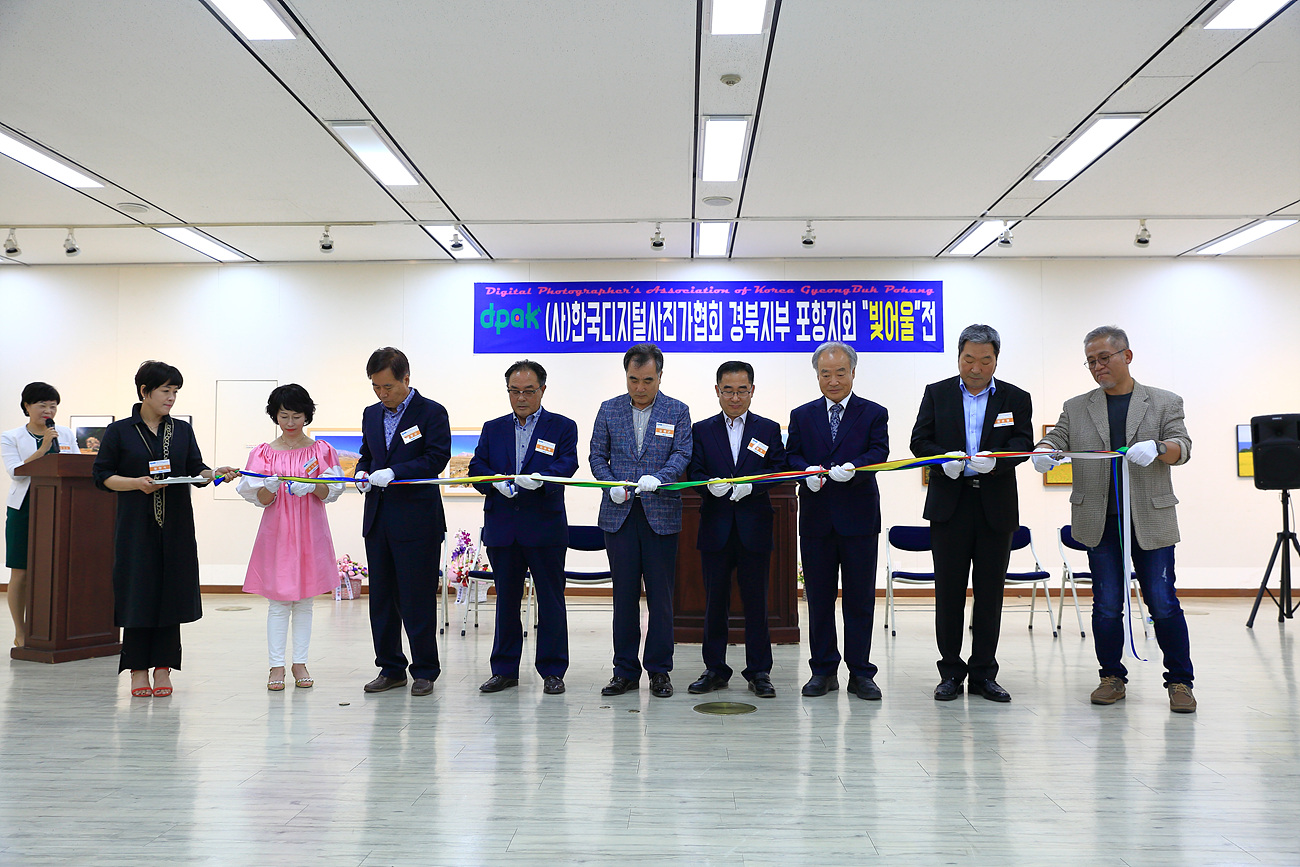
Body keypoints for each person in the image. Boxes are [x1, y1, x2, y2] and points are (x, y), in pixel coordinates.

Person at [1034, 326, 1196, 713]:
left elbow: (1183, 447)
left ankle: (1180, 682)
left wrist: (1158, 448)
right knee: (1106, 604)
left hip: (1151, 520)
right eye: (1091, 361)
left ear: (1127, 356)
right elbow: (1057, 438)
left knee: (1163, 601)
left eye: (1104, 358)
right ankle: (1111, 677)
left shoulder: (1164, 402)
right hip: (1100, 521)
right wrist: (1043, 450)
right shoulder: (1077, 406)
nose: (1097, 366)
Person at [92, 361, 237, 697]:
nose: (171, 398)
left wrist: (213, 473)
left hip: (176, 526)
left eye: (175, 392)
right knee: (138, 594)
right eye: (165, 391)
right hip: (135, 527)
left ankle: (163, 667)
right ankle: (137, 669)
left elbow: (196, 469)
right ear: (145, 391)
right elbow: (102, 477)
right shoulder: (119, 431)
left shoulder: (182, 431)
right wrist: (136, 483)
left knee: (171, 594)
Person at [909, 324, 1033, 703]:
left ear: (996, 359)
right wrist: (940, 460)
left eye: (985, 361)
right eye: (968, 360)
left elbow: (1023, 443)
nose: (976, 368)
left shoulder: (1016, 397)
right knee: (949, 592)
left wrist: (996, 461)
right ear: (958, 357)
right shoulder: (937, 393)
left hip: (995, 505)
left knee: (990, 593)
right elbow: (919, 441)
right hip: (950, 505)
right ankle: (950, 672)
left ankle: (983, 673)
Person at [468, 360, 579, 695]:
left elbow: (568, 463)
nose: (521, 398)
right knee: (506, 601)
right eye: (514, 391)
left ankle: (553, 671)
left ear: (542, 390)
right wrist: (492, 483)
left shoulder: (562, 427)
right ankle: (504, 670)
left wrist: (541, 479)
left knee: (550, 600)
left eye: (528, 391)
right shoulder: (493, 428)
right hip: (503, 527)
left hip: (544, 527)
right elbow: (476, 466)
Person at [786, 342, 889, 700]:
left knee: (860, 599)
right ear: (817, 375)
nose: (833, 380)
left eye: (840, 373)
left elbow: (879, 452)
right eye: (825, 374)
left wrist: (854, 468)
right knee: (818, 598)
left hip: (859, 519)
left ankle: (860, 673)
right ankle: (823, 670)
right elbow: (791, 456)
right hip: (817, 519)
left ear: (853, 372)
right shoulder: (802, 415)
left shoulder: (873, 413)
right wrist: (805, 472)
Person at [589, 343, 692, 698]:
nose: (640, 387)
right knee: (624, 596)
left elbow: (682, 453)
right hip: (619, 515)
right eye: (633, 380)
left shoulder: (677, 410)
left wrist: (660, 478)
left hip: (660, 514)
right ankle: (625, 671)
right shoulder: (609, 409)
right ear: (626, 376)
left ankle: (660, 671)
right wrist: (610, 485)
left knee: (661, 598)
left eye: (648, 380)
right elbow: (596, 455)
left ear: (660, 376)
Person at [685, 361, 787, 699]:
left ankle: (759, 671)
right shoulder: (702, 429)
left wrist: (753, 487)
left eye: (742, 390)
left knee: (757, 603)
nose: (735, 397)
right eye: (728, 390)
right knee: (715, 603)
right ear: (717, 391)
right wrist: (707, 485)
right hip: (715, 527)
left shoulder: (767, 429)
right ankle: (715, 669)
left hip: (754, 526)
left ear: (752, 390)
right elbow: (694, 471)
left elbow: (779, 468)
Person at [236, 384, 346, 691]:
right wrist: (268, 488)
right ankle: (276, 665)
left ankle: (300, 662)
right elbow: (259, 498)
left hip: (310, 529)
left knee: (305, 601)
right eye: (284, 415)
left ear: (307, 415)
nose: (290, 422)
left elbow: (331, 492)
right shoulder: (263, 453)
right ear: (275, 415)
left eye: (297, 416)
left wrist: (312, 486)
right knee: (278, 602)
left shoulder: (321, 451)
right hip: (278, 531)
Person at [355, 347, 451, 697]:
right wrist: (363, 472)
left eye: (388, 387)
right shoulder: (371, 414)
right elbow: (367, 454)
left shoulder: (431, 412)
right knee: (381, 598)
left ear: (406, 379)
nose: (382, 394)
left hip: (417, 522)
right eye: (375, 387)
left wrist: (395, 471)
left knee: (416, 598)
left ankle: (424, 670)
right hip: (378, 519)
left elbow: (436, 458)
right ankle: (390, 667)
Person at [3, 382, 76, 647]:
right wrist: (44, 448)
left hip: (60, 505)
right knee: (21, 572)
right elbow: (16, 472)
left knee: (59, 569)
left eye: (53, 406)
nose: (48, 411)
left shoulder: (65, 433)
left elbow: (75, 465)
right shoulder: (10, 436)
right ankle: (21, 632)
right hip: (24, 508)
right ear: (27, 406)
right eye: (42, 405)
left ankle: (55, 630)